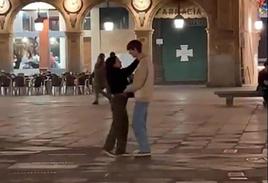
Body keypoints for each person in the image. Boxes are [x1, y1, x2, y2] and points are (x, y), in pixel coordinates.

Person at [103, 55, 139, 157]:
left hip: (121, 101)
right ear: (113, 64)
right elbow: (128, 70)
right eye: (118, 61)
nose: (121, 63)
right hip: (118, 101)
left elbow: (123, 87)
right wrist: (138, 60)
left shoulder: (115, 73)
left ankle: (120, 150)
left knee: (123, 125)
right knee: (117, 125)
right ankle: (108, 147)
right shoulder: (114, 73)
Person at [124, 40, 154, 157]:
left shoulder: (142, 63)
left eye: (131, 51)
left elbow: (138, 84)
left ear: (135, 49)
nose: (130, 54)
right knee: (141, 123)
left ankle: (145, 149)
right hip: (146, 95)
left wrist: (124, 89)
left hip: (142, 97)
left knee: (137, 124)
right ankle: (144, 147)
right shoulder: (148, 61)